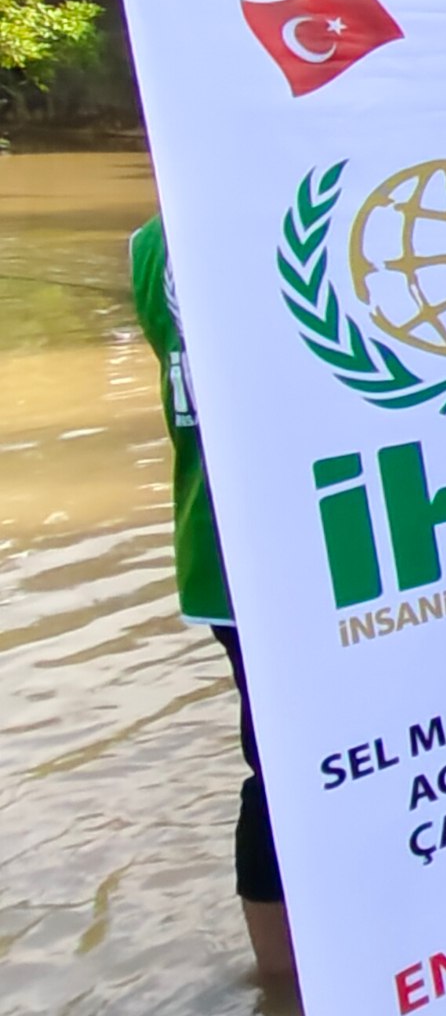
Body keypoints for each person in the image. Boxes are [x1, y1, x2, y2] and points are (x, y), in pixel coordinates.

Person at [128, 217, 295, 989]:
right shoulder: (280, 201)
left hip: (227, 552)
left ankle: (280, 986)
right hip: (298, 555)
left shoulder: (153, 237)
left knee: (281, 773)